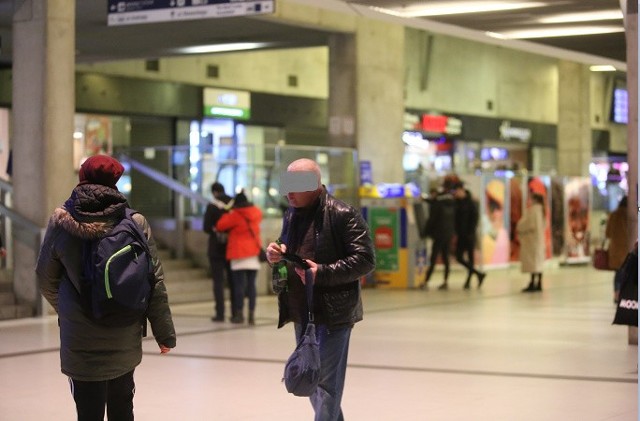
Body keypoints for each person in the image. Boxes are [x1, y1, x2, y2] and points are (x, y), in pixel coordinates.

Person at [35, 154, 176, 421]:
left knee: (88, 413)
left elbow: (45, 278)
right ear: (116, 180)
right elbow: (154, 279)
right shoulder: (135, 222)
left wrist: (70, 310)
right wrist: (164, 334)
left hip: (81, 342)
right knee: (123, 410)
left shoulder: (61, 221)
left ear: (82, 177)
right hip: (124, 332)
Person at [266, 158, 375, 421]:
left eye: (296, 185)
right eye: (287, 185)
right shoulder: (291, 213)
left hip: (333, 314)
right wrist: (278, 252)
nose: (289, 192)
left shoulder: (342, 214)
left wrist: (322, 272)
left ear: (314, 184)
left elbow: (365, 260)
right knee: (311, 381)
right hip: (303, 311)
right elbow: (291, 247)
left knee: (325, 387)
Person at [216, 190, 263, 324]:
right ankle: (252, 315)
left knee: (239, 286)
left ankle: (239, 314)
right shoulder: (256, 212)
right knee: (251, 286)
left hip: (238, 254)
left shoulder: (235, 215)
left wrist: (229, 211)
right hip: (253, 253)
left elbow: (220, 225)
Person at [203, 182, 234, 322]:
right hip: (232, 247)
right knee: (233, 281)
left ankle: (220, 314)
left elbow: (206, 227)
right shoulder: (233, 204)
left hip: (216, 248)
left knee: (218, 282)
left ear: (214, 192)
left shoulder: (212, 205)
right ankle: (236, 312)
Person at [420, 180, 456, 290]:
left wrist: (425, 232)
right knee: (445, 258)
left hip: (439, 234)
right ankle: (445, 281)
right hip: (448, 233)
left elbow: (432, 219)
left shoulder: (438, 203)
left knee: (433, 257)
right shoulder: (451, 201)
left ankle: (426, 282)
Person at [452, 182, 486, 289]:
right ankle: (478, 274)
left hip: (469, 235)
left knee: (470, 259)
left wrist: (470, 232)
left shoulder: (471, 203)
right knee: (459, 257)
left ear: (462, 190)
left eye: (457, 191)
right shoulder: (457, 203)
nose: (456, 194)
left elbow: (474, 218)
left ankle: (469, 280)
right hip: (461, 234)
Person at [517, 193, 546, 292]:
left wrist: (520, 226)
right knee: (538, 262)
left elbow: (530, 224)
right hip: (538, 240)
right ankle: (538, 282)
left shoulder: (534, 211)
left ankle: (533, 282)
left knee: (533, 262)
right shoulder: (542, 210)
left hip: (532, 240)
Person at [605, 196, 629, 302]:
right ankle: (625, 294)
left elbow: (607, 233)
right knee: (626, 273)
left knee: (618, 273)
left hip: (615, 250)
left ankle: (616, 294)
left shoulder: (614, 215)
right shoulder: (631, 216)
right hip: (628, 249)